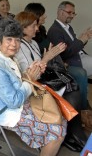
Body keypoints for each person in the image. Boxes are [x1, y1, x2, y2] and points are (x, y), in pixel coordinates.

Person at [0, 18, 66, 156]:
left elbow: (16, 81)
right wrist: (29, 80)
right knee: (56, 132)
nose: (14, 44)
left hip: (18, 103)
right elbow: (14, 101)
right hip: (4, 111)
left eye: (17, 40)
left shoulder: (7, 57)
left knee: (60, 118)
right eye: (9, 39)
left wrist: (30, 73)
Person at [15, 11, 87, 152]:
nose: (37, 28)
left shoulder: (33, 43)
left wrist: (48, 57)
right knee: (72, 94)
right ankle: (73, 135)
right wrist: (46, 58)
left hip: (42, 81)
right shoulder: (19, 47)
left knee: (73, 87)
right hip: (33, 87)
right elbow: (30, 76)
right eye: (34, 26)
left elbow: (41, 67)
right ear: (23, 28)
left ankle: (73, 133)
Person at [47, 1, 92, 109]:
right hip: (72, 61)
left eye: (73, 13)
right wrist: (81, 41)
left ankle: (85, 104)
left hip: (79, 57)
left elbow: (74, 46)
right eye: (69, 12)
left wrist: (84, 38)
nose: (72, 16)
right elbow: (65, 54)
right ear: (60, 12)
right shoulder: (55, 30)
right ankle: (84, 107)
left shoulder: (68, 27)